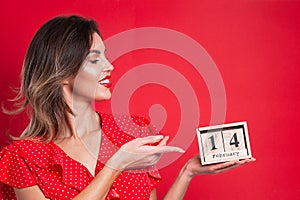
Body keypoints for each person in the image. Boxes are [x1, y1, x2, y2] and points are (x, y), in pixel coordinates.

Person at [0, 15, 255, 200]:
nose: (109, 66)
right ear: (63, 71)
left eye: (107, 56)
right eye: (95, 59)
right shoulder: (23, 157)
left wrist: (187, 173)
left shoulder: (134, 132)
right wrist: (115, 164)